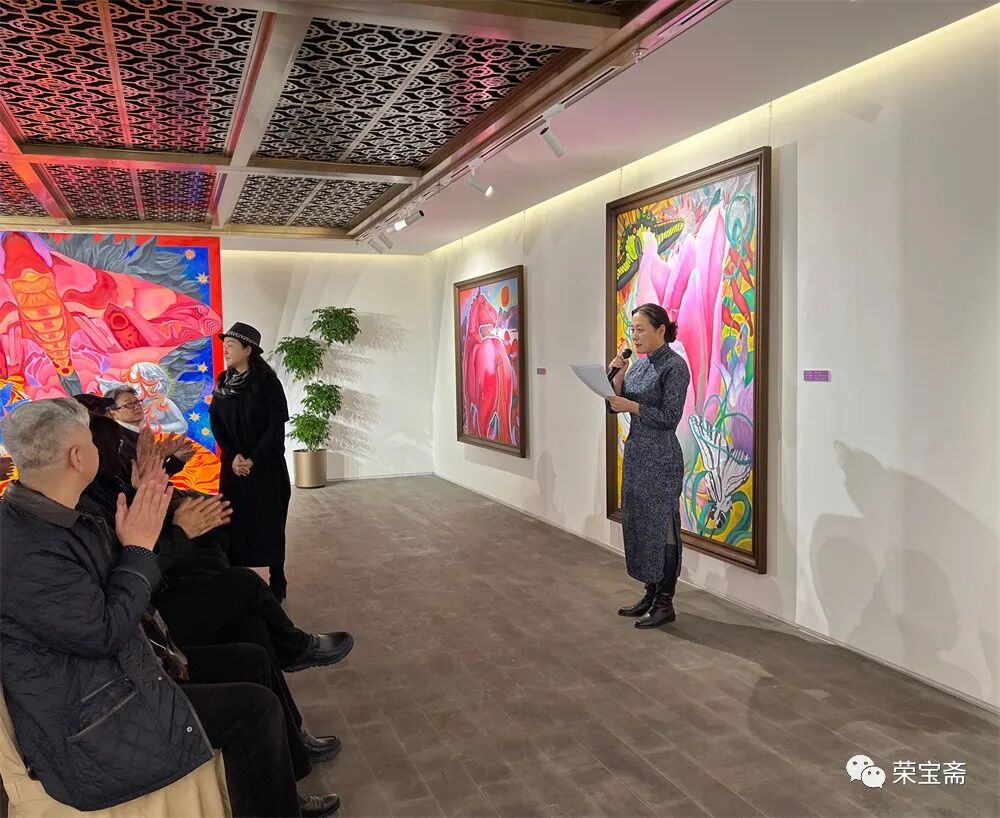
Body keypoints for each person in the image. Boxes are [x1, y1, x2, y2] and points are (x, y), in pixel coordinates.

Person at [0, 399, 340, 816]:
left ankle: (286, 794)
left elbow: (113, 590)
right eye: (91, 438)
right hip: (93, 716)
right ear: (77, 457)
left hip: (123, 671)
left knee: (250, 654)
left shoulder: (63, 515)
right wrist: (140, 549)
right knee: (255, 709)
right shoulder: (25, 548)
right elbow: (103, 633)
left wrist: (144, 504)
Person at [607, 303, 691, 628]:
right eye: (633, 329)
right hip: (637, 455)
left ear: (661, 330)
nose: (635, 336)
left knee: (662, 529)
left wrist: (633, 406)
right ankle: (650, 594)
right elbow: (616, 405)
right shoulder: (639, 366)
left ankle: (665, 603)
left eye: (641, 329)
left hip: (661, 459)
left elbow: (669, 418)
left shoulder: (675, 367)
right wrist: (617, 375)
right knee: (640, 526)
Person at [209, 322, 293, 601]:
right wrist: (233, 456)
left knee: (270, 522)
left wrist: (253, 459)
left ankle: (277, 576)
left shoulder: (268, 383)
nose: (225, 350)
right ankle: (234, 577)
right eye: (225, 345)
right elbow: (216, 423)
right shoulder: (223, 382)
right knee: (233, 522)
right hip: (233, 468)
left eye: (231, 345)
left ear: (248, 350)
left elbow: (275, 428)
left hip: (265, 468)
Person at [106, 385, 192, 477]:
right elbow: (139, 478)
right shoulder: (116, 440)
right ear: (112, 412)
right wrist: (174, 459)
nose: (137, 406)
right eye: (129, 404)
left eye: (137, 402)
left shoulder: (140, 434)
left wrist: (176, 458)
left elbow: (152, 472)